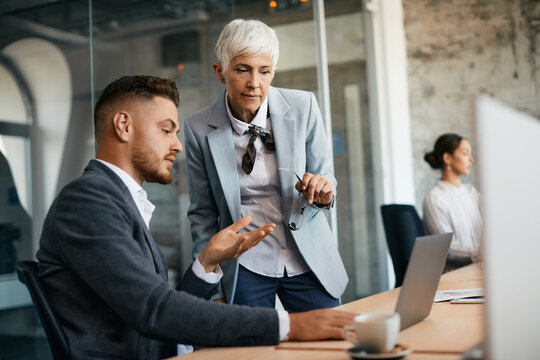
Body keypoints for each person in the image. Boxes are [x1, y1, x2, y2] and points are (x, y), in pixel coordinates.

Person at [36, 75, 355, 360]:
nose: (177, 145)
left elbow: (154, 307)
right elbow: (155, 311)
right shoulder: (88, 201)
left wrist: (206, 261)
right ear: (123, 125)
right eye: (165, 130)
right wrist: (291, 324)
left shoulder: (115, 199)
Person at [184, 19, 348, 311]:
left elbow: (327, 177)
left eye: (264, 71)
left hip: (306, 256)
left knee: (331, 343)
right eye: (242, 69)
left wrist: (325, 191)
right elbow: (202, 213)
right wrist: (213, 287)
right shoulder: (198, 129)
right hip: (244, 263)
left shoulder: (304, 106)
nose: (254, 83)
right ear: (219, 72)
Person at [423, 133, 482, 272]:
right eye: (465, 153)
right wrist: (480, 255)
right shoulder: (434, 198)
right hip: (453, 278)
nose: (471, 159)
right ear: (448, 158)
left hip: (477, 271)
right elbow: (448, 250)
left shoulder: (472, 193)